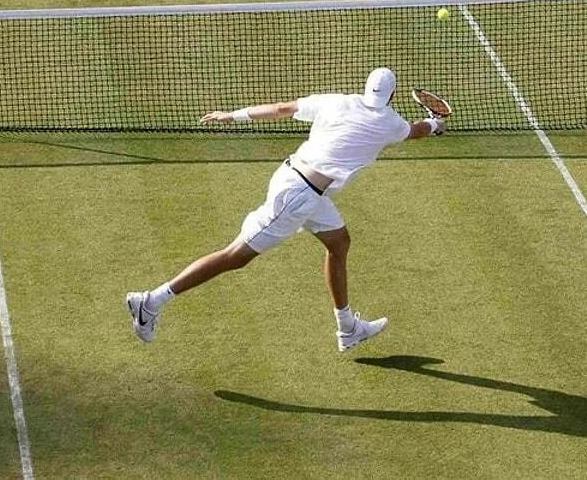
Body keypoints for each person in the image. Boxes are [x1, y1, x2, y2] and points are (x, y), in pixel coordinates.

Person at [125, 68, 446, 352]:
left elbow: (282, 108)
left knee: (339, 243)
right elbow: (418, 131)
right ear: (392, 97)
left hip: (296, 179)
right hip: (297, 198)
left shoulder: (335, 101)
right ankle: (151, 302)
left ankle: (347, 329)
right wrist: (436, 123)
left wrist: (231, 115)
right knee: (234, 256)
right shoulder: (390, 122)